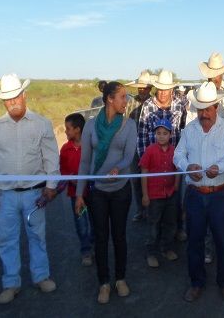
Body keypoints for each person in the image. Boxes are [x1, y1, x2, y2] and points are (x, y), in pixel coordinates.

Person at [0, 74, 60, 304]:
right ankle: (11, 282)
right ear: (3, 102)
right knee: (6, 240)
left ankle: (41, 276)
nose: (12, 101)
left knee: (37, 236)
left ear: (24, 95)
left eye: (15, 96)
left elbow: (51, 157)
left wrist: (51, 186)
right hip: (5, 196)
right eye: (7, 99)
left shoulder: (41, 124)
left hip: (35, 193)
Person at [173, 82, 224, 302]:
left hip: (220, 192)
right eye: (200, 109)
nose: (204, 114)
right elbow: (178, 155)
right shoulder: (189, 130)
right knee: (195, 240)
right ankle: (196, 282)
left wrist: (219, 169)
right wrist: (186, 167)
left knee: (223, 239)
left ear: (216, 107)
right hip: (194, 194)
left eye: (208, 109)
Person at [75, 81, 137, 304]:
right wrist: (80, 194)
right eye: (122, 97)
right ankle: (103, 283)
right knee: (101, 238)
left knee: (119, 236)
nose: (126, 101)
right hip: (97, 192)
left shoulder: (128, 125)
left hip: (120, 190)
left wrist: (118, 168)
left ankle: (120, 279)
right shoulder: (91, 126)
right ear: (110, 99)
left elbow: (129, 156)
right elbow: (84, 162)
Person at [137, 70, 188, 241]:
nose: (163, 93)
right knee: (155, 204)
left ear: (172, 90)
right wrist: (146, 163)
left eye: (166, 89)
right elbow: (142, 135)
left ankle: (176, 231)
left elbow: (183, 130)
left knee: (176, 197)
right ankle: (154, 240)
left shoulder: (180, 105)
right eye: (160, 89)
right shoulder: (147, 106)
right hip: (154, 163)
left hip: (175, 161)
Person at [139, 119, 179, 268]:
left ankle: (166, 248)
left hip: (170, 194)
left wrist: (176, 185)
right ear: (155, 134)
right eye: (158, 133)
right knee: (153, 225)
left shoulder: (175, 151)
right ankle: (151, 252)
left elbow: (177, 169)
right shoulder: (150, 150)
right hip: (154, 196)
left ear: (170, 135)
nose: (161, 136)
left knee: (170, 223)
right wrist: (145, 195)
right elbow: (144, 172)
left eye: (165, 133)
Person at [60, 113, 93, 266]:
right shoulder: (65, 149)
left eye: (68, 129)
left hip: (92, 192)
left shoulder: (91, 146)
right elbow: (63, 170)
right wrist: (70, 179)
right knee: (81, 223)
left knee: (94, 221)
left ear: (78, 129)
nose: (65, 132)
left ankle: (95, 245)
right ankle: (85, 250)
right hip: (75, 193)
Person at [125, 70, 157, 222]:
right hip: (133, 146)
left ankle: (151, 210)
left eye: (145, 88)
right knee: (136, 179)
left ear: (150, 88)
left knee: (150, 180)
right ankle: (140, 210)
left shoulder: (154, 103)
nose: (142, 90)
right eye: (140, 88)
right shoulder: (130, 103)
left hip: (150, 146)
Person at [186, 52, 224, 127]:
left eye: (216, 76)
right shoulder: (199, 94)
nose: (213, 79)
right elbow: (190, 120)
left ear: (222, 74)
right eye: (210, 76)